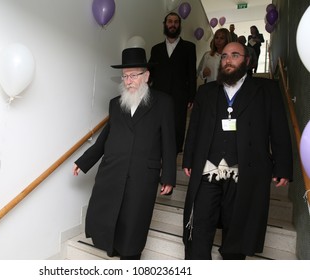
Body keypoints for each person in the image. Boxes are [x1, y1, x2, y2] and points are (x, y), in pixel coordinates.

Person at [182, 42, 293, 260]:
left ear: (247, 61)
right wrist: (188, 159)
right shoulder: (205, 92)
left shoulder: (266, 90)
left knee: (238, 231)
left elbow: (279, 130)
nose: (228, 60)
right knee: (200, 227)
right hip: (208, 171)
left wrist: (283, 166)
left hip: (246, 174)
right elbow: (194, 129)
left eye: (235, 55)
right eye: (224, 56)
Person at [73, 47, 177, 260]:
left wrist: (168, 176)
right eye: (125, 76)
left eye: (133, 75)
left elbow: (169, 142)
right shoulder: (115, 103)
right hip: (113, 171)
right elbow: (105, 138)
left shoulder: (163, 102)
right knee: (108, 216)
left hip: (142, 175)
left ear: (146, 76)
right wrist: (84, 161)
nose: (128, 81)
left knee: (134, 225)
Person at [148, 12, 196, 154]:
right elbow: (150, 72)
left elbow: (192, 73)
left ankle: (174, 153)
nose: (172, 24)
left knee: (177, 126)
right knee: (159, 125)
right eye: (170, 21)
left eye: (176, 22)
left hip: (180, 96)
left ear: (179, 25)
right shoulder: (156, 49)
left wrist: (192, 96)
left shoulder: (189, 47)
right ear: (165, 24)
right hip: (159, 94)